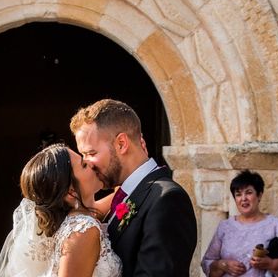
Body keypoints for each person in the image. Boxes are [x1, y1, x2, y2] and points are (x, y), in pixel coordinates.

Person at [71, 98, 197, 277]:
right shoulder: (126, 194)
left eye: (91, 153)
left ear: (121, 143)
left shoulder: (167, 200)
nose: (88, 163)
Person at [0, 143, 121, 277]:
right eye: (83, 165)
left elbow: (118, 199)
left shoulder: (78, 219)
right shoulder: (83, 230)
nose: (91, 163)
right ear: (71, 192)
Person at [200, 170, 278, 277]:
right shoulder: (225, 226)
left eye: (249, 193)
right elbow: (206, 263)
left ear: (259, 195)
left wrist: (271, 264)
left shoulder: (275, 225)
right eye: (238, 194)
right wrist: (223, 265)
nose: (243, 198)